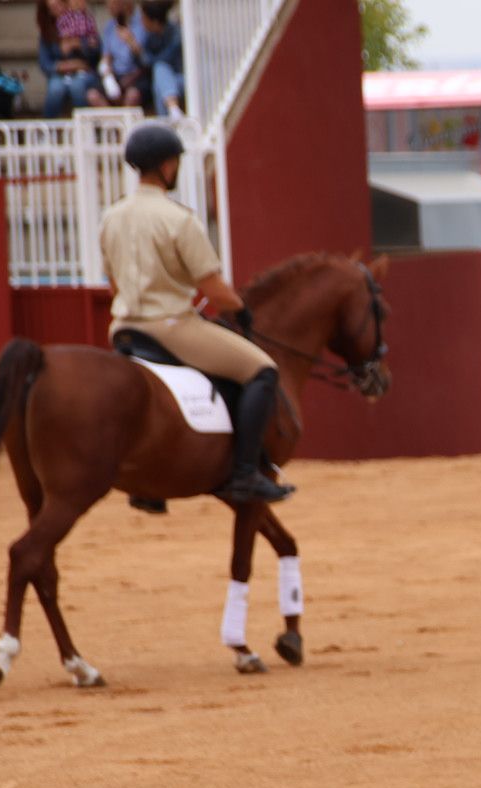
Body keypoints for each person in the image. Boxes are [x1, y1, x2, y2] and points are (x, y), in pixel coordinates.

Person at [100, 123, 293, 503]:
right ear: (168, 166)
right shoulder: (179, 219)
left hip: (122, 328)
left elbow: (113, 285)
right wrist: (240, 309)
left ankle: (149, 483)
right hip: (171, 327)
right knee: (263, 371)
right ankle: (244, 475)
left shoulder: (112, 216)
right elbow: (214, 289)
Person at [37, 0, 99, 118]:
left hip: (85, 74)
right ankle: (49, 129)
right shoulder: (46, 33)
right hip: (60, 75)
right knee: (55, 89)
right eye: (53, 8)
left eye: (60, 5)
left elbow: (96, 54)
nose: (59, 9)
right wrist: (73, 64)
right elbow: (45, 64)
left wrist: (80, 45)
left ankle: (84, 127)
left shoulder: (83, 24)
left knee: (77, 86)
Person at [89, 0, 147, 108]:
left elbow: (146, 60)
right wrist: (108, 77)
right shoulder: (110, 26)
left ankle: (126, 124)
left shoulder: (143, 22)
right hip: (116, 75)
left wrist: (131, 41)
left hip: (136, 74)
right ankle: (112, 124)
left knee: (132, 96)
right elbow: (106, 57)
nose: (109, 8)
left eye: (113, 4)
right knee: (93, 95)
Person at [137, 1, 181, 119]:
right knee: (158, 79)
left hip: (182, 78)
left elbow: (163, 59)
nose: (141, 23)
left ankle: (168, 117)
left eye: (144, 19)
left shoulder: (175, 34)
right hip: (166, 82)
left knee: (160, 68)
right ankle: (172, 111)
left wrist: (139, 51)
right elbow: (145, 62)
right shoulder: (150, 36)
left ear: (155, 22)